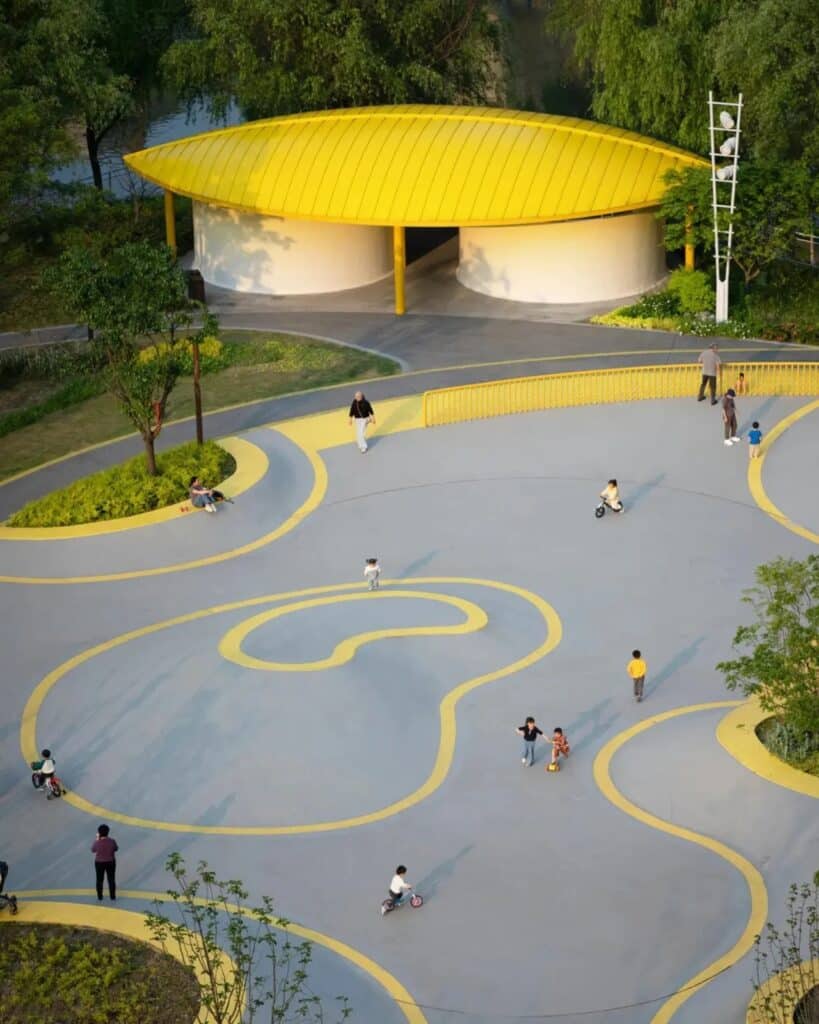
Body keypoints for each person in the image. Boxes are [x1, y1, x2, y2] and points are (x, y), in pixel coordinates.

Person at [92, 824, 118, 901]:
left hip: (99, 862)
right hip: (110, 862)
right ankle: (112, 896)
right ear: (108, 832)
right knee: (111, 879)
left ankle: (100, 896)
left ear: (99, 833)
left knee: (99, 879)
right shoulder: (112, 841)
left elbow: (93, 850)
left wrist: (97, 839)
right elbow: (116, 848)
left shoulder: (97, 842)